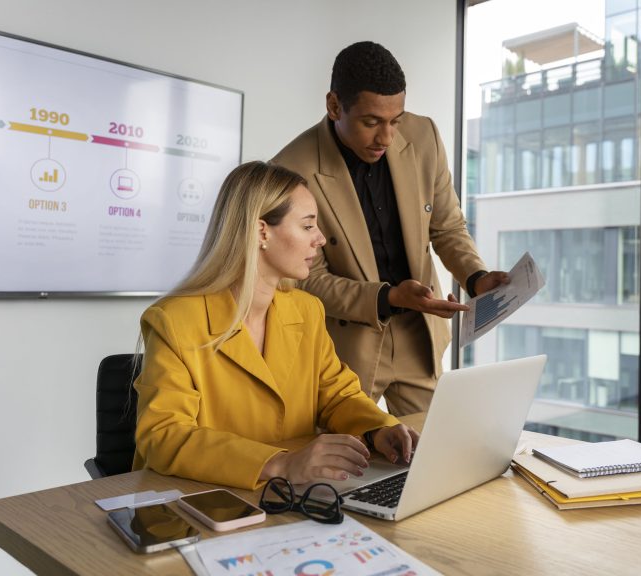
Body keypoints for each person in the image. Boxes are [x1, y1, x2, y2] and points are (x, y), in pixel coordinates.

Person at [132, 161, 418, 491]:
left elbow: (336, 396)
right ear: (261, 232)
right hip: (205, 497)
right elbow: (164, 434)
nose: (320, 239)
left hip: (291, 494)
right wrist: (278, 463)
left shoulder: (306, 310)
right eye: (308, 226)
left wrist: (378, 429)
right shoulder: (174, 320)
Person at [271, 41, 508, 416]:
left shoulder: (424, 135)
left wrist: (476, 277)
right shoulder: (290, 170)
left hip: (419, 335)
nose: (386, 137)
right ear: (334, 106)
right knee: (345, 452)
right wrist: (388, 297)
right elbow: (306, 279)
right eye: (371, 123)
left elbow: (447, 226)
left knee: (435, 447)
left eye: (395, 120)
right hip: (344, 347)